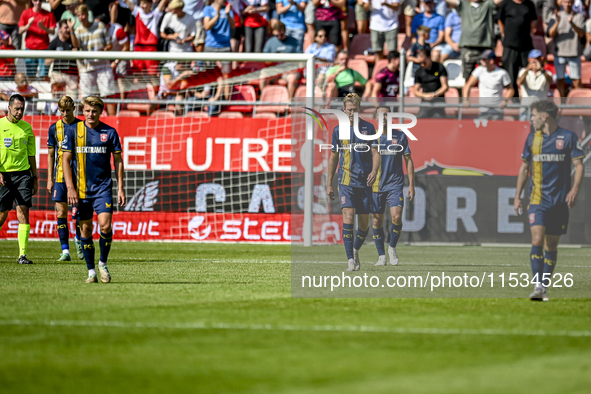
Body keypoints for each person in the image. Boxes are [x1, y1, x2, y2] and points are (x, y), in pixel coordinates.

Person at [514, 100, 584, 301]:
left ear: (545, 117)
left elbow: (579, 165)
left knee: (551, 246)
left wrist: (575, 190)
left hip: (560, 202)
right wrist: (518, 196)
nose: (531, 119)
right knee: (536, 240)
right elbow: (524, 168)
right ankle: (537, 286)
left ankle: (543, 286)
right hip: (538, 200)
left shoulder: (568, 138)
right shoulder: (532, 139)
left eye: (534, 115)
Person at [62, 96, 125, 284]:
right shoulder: (73, 131)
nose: (91, 114)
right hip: (80, 190)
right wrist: (70, 188)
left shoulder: (110, 132)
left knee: (105, 225)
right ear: (83, 110)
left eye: (94, 111)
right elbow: (65, 160)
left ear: (101, 111)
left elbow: (118, 161)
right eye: (88, 111)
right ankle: (91, 272)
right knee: (86, 230)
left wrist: (121, 188)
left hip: (102, 189)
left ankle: (103, 262)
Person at [326, 93, 380, 271]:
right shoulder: (338, 131)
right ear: (343, 110)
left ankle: (355, 250)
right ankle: (350, 260)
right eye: (349, 110)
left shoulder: (369, 128)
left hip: (364, 183)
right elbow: (333, 156)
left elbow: (375, 153)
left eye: (354, 110)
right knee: (348, 217)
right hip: (345, 181)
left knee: (364, 226)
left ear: (359, 110)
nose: (351, 113)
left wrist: (374, 171)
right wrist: (329, 183)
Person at [371, 105, 415, 266]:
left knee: (396, 217)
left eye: (386, 116)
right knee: (376, 221)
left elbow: (409, 161)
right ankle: (381, 256)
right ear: (376, 118)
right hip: (375, 186)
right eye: (380, 116)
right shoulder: (370, 138)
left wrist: (411, 184)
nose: (383, 118)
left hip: (394, 184)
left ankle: (392, 247)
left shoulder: (400, 136)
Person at [0, 94, 37, 265]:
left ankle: (22, 255)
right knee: (2, 215)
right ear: (9, 107)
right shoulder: (0, 125)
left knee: (23, 211)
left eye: (22, 109)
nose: (20, 112)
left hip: (23, 175)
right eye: (17, 109)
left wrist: (35, 177)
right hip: (4, 175)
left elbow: (31, 155)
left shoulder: (27, 128)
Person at [47, 95, 83, 261]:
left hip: (79, 176)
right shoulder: (54, 128)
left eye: (68, 110)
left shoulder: (82, 126)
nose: (65, 113)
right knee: (61, 211)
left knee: (79, 213)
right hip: (60, 176)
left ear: (73, 108)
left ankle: (78, 238)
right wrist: (49, 179)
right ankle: (65, 251)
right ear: (59, 110)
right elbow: (50, 155)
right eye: (62, 110)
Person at [69, 4, 117, 115]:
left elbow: (109, 45)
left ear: (87, 14)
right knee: (87, 99)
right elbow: (76, 45)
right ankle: (89, 126)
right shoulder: (78, 30)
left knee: (108, 96)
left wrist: (104, 49)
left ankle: (112, 122)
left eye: (83, 14)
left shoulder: (100, 26)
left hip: (103, 66)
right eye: (78, 15)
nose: (81, 17)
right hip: (86, 67)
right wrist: (71, 30)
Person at [445, 0, 504, 80]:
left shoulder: (488, 4)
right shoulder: (463, 4)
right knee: (468, 78)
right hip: (467, 47)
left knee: (486, 77)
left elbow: (497, 1)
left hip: (485, 47)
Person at [498, 0, 537, 97]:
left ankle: (528, 100)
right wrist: (503, 33)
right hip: (510, 45)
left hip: (526, 46)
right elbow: (499, 19)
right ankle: (513, 103)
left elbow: (533, 20)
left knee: (528, 74)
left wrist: (531, 32)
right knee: (511, 76)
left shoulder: (529, 4)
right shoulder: (506, 3)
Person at [548, 0, 585, 97]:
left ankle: (580, 106)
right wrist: (557, 21)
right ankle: (561, 106)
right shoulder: (556, 16)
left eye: (569, 2)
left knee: (577, 81)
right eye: (565, 2)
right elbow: (550, 34)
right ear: (561, 3)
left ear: (572, 3)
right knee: (560, 81)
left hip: (574, 53)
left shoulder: (579, 16)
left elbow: (582, 34)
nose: (567, 4)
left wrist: (572, 23)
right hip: (559, 54)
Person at [462, 49, 514, 120]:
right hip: (483, 110)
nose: (481, 61)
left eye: (484, 59)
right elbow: (468, 85)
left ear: (491, 61)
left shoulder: (502, 73)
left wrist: (505, 101)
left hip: (497, 110)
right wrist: (465, 100)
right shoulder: (479, 70)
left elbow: (510, 89)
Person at [123, 0, 169, 76]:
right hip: (138, 48)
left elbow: (163, 2)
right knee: (137, 75)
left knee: (152, 75)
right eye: (141, 3)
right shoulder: (138, 12)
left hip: (151, 48)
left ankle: (154, 88)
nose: (142, 5)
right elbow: (127, 2)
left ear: (150, 4)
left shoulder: (155, 14)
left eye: (144, 3)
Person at [18, 0, 57, 78]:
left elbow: (52, 31)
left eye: (40, 0)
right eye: (36, 0)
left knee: (43, 76)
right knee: (30, 76)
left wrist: (44, 28)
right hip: (30, 49)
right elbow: (20, 31)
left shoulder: (48, 14)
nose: (38, 2)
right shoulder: (26, 13)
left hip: (44, 48)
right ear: (32, 1)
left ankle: (42, 91)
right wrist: (28, 25)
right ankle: (31, 90)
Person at [261, 21, 300, 97]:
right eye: (276, 35)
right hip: (274, 70)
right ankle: (264, 99)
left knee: (292, 78)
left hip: (289, 70)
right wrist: (274, 57)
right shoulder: (270, 42)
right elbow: (265, 61)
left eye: (281, 35)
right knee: (263, 76)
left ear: (285, 32)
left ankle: (289, 104)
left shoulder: (294, 42)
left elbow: (300, 60)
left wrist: (286, 58)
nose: (279, 37)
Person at [517, 49, 552, 120]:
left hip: (541, 108)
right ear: (529, 59)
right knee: (524, 129)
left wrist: (542, 70)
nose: (537, 61)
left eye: (539, 58)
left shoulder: (546, 73)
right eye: (535, 59)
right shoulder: (523, 71)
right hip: (526, 108)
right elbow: (519, 82)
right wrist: (528, 69)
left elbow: (550, 81)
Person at [46, 19, 78, 98]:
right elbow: (46, 62)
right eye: (66, 27)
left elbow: (77, 46)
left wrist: (72, 30)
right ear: (60, 28)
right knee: (56, 99)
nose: (68, 30)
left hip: (71, 75)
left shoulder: (73, 40)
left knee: (72, 100)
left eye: (69, 28)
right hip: (57, 74)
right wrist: (56, 56)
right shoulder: (54, 43)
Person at [413, 47, 448, 118]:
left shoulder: (439, 67)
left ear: (429, 58)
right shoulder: (419, 71)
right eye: (420, 63)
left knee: (439, 121)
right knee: (421, 120)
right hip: (425, 103)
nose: (422, 65)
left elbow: (445, 87)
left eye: (424, 62)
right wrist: (425, 95)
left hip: (439, 101)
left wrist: (435, 94)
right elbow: (415, 91)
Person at [203, 0, 235, 76]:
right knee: (209, 76)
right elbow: (207, 26)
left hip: (225, 46)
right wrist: (217, 16)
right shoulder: (208, 9)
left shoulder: (228, 9)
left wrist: (228, 14)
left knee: (226, 75)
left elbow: (233, 26)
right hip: (210, 45)